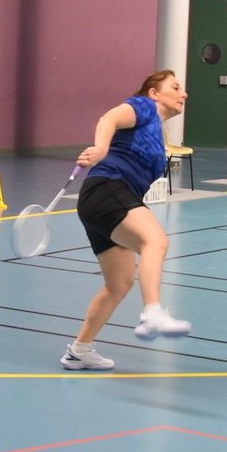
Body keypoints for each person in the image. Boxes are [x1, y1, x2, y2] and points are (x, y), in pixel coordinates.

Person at [63, 71, 192, 371]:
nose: (183, 93)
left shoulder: (157, 133)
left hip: (105, 202)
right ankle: (152, 314)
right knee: (155, 242)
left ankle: (80, 350)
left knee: (119, 283)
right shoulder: (144, 107)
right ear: (154, 93)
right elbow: (108, 118)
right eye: (175, 87)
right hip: (108, 187)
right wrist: (101, 149)